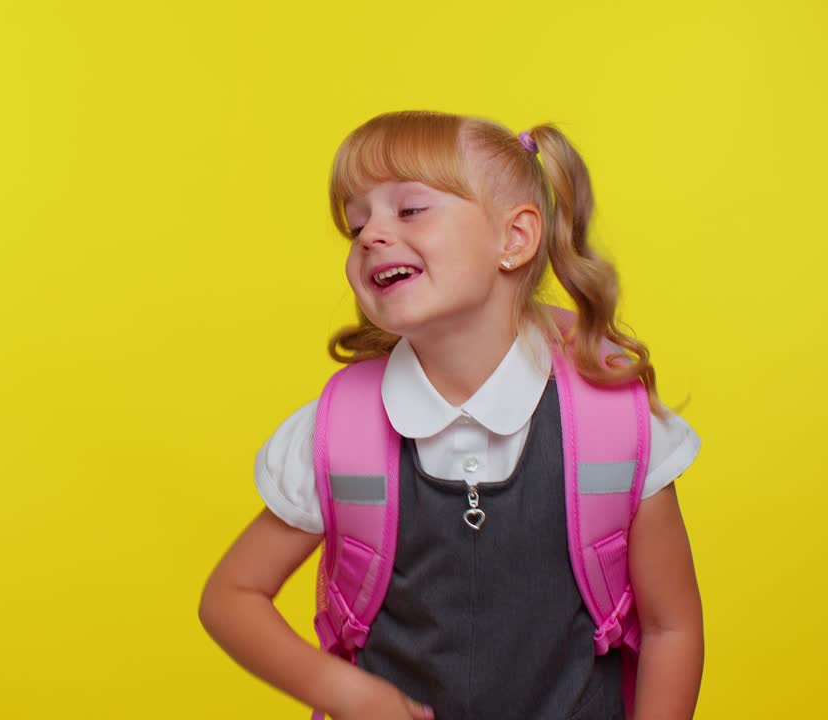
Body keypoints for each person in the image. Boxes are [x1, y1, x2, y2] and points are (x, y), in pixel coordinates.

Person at [198, 110, 704, 720]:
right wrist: (344, 691)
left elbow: (671, 628)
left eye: (409, 210)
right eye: (356, 223)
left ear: (514, 239)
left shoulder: (618, 425)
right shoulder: (339, 433)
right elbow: (231, 596)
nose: (370, 235)